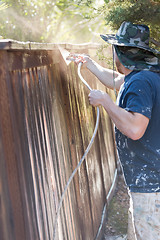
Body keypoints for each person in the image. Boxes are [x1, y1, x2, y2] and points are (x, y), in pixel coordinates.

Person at [69, 22, 160, 240]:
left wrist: (106, 102)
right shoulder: (143, 76)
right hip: (148, 183)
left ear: (122, 51)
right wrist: (90, 64)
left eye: (115, 48)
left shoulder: (140, 82)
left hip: (150, 188)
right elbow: (118, 80)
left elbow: (135, 129)